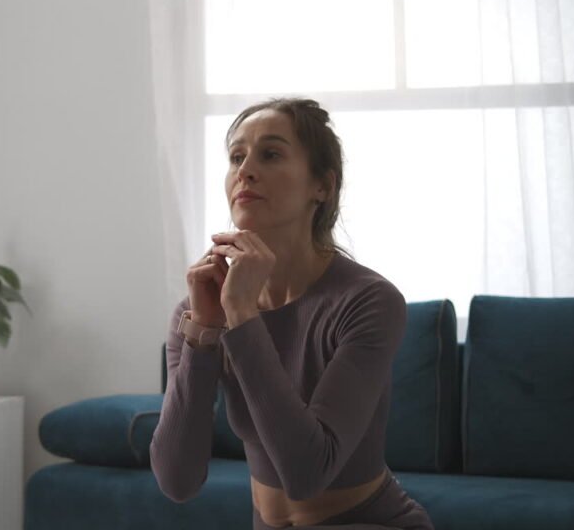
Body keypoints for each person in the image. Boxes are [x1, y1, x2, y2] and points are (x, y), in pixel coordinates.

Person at [149, 98, 435, 529]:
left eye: (271, 153)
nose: (244, 170)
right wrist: (204, 332)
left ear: (322, 186)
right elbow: (177, 482)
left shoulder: (369, 301)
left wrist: (243, 316)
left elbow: (307, 474)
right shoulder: (199, 307)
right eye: (236, 156)